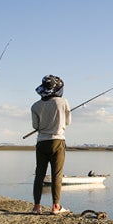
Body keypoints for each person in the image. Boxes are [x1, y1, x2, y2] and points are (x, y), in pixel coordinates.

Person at [31, 75, 71, 215]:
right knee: (57, 175)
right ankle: (56, 206)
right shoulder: (63, 102)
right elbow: (68, 122)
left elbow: (35, 125)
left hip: (41, 142)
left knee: (39, 175)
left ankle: (36, 207)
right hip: (57, 141)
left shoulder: (35, 106)